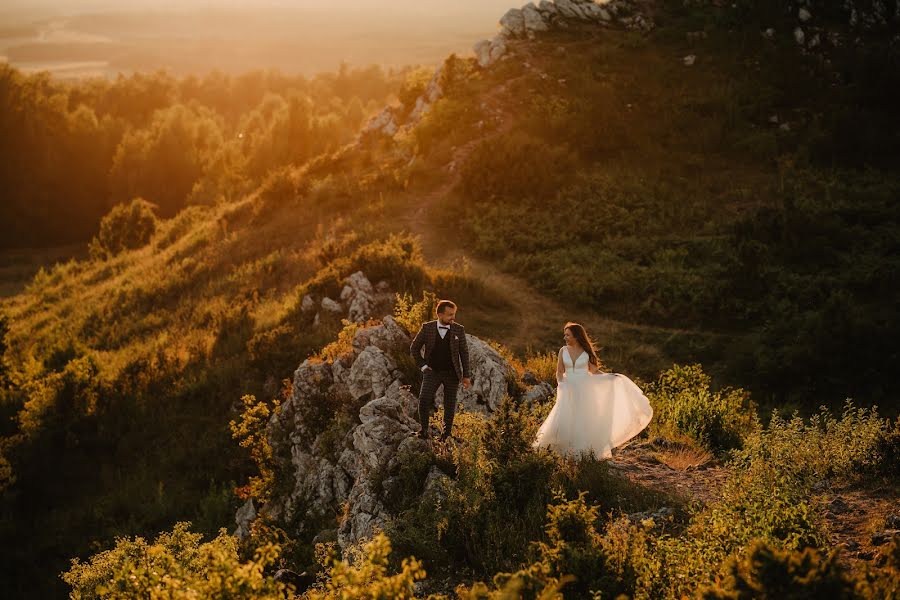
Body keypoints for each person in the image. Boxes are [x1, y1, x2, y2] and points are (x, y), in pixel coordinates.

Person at [534, 322, 653, 458]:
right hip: (567, 389)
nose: (565, 338)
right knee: (564, 419)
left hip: (584, 390)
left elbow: (594, 371)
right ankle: (559, 450)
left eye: (568, 335)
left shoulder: (586, 353)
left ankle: (581, 453)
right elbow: (559, 371)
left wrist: (610, 377)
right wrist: (561, 384)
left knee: (581, 420)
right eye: (564, 335)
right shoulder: (563, 350)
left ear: (576, 336)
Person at [410, 300, 471, 441]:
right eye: (450, 315)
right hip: (432, 372)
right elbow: (414, 348)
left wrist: (466, 375)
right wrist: (423, 366)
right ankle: (424, 431)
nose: (453, 318)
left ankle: (446, 434)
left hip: (452, 373)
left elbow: (464, 353)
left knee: (450, 404)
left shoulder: (458, 329)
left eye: (454, 314)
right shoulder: (427, 328)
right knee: (424, 400)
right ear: (440, 314)